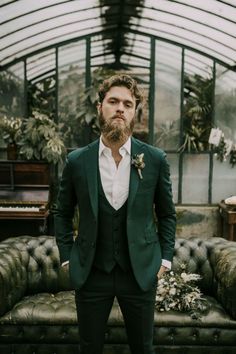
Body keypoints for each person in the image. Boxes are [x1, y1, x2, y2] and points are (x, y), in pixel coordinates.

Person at [54, 74, 176, 354]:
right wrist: (66, 258)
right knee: (89, 346)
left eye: (128, 104)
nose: (120, 108)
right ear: (100, 107)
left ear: (135, 112)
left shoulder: (155, 159)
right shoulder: (77, 161)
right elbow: (62, 213)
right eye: (113, 101)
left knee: (143, 347)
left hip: (141, 271)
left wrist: (165, 260)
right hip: (92, 270)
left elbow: (167, 215)